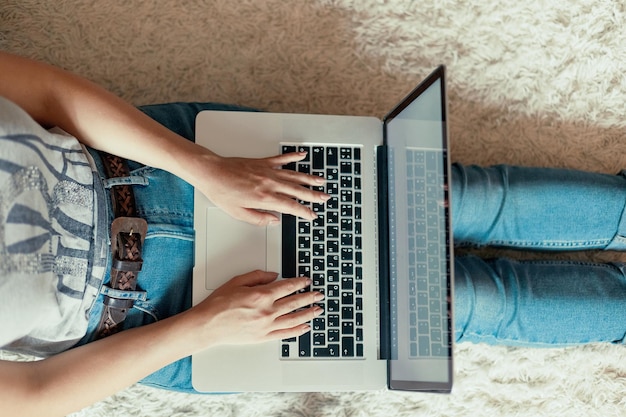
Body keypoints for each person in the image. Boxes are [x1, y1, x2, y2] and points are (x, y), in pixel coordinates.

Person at [0, 51, 624, 416]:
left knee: (453, 197)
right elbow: (30, 395)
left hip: (162, 164)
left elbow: (47, 91)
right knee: (463, 303)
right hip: (161, 320)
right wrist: (207, 326)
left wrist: (204, 165)